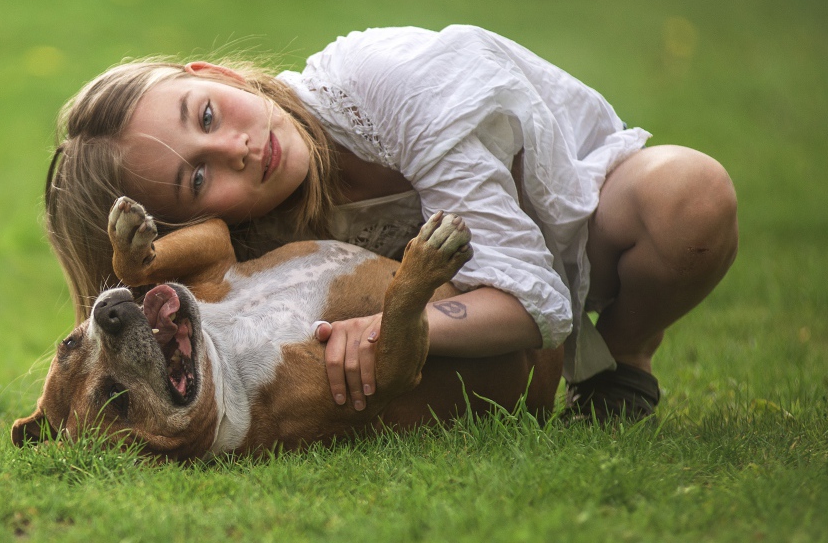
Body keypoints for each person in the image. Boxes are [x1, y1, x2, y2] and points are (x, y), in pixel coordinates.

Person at [44, 25, 738, 421]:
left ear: (218, 76)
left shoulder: (392, 87)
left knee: (691, 198)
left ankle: (621, 358)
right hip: (481, 302)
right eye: (199, 178)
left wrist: (390, 328)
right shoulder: (252, 233)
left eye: (207, 114)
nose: (238, 148)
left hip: (587, 227)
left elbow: (539, 300)